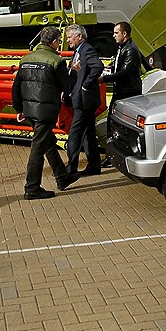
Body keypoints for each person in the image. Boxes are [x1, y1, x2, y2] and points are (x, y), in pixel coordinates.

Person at [11, 27, 80, 200]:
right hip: (46, 111)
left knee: (47, 142)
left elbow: (16, 87)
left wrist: (19, 109)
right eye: (59, 41)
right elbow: (67, 87)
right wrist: (75, 72)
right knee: (38, 148)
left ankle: (62, 178)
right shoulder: (56, 61)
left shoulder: (25, 59)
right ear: (55, 41)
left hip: (30, 110)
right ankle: (32, 187)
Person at [64, 24, 104, 177]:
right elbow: (79, 72)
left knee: (75, 133)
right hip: (82, 98)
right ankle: (94, 165)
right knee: (88, 133)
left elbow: (98, 66)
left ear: (79, 36)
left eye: (69, 37)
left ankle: (71, 168)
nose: (68, 40)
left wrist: (87, 85)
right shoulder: (79, 51)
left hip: (84, 100)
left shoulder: (87, 49)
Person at [100, 22, 142, 167]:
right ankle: (112, 155)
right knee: (112, 123)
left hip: (128, 93)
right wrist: (108, 69)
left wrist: (104, 79)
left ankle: (121, 154)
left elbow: (124, 73)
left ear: (125, 34)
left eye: (116, 33)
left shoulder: (131, 50)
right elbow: (118, 67)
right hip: (122, 91)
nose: (113, 36)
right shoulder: (122, 48)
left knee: (122, 125)